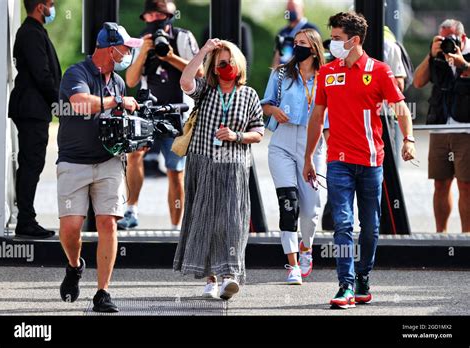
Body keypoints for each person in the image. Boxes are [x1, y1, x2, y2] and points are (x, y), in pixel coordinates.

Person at [303, 12, 416, 309]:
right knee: (342, 224)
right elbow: (317, 117)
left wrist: (409, 140)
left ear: (354, 40)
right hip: (337, 160)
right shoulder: (327, 72)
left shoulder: (378, 71)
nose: (332, 45)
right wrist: (308, 159)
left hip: (370, 161)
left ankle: (363, 276)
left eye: (337, 39)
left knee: (371, 227)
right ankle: (346, 285)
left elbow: (400, 107)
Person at [57, 23, 142, 312]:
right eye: (125, 48)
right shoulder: (76, 73)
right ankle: (73, 266)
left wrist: (135, 135)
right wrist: (117, 101)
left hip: (108, 161)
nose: (128, 52)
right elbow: (80, 104)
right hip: (73, 161)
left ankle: (102, 293)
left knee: (108, 222)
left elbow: (116, 121)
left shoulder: (118, 81)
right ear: (110, 48)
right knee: (71, 227)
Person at [175, 39, 264, 300]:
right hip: (202, 164)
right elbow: (185, 81)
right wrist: (204, 51)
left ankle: (229, 276)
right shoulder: (205, 91)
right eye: (220, 63)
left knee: (232, 222)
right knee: (203, 220)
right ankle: (210, 279)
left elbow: (258, 132)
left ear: (239, 64)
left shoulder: (249, 95)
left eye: (230, 62)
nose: (226, 66)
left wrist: (237, 136)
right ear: (213, 69)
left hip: (234, 166)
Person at [121, 0, 202, 230]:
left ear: (168, 17)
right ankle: (131, 209)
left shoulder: (183, 38)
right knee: (135, 155)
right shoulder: (141, 41)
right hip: (149, 109)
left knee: (175, 171)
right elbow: (131, 80)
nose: (154, 21)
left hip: (178, 110)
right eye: (149, 16)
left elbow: (201, 72)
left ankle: (176, 227)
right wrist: (144, 52)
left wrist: (170, 57)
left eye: (159, 16)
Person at [262, 29, 327, 285]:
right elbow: (265, 103)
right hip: (283, 142)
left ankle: (307, 247)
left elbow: (329, 119)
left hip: (314, 143)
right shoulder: (280, 73)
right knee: (288, 203)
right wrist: (273, 110)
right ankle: (292, 265)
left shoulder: (326, 77)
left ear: (314, 48)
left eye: (302, 43)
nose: (296, 47)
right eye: (295, 42)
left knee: (311, 208)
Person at [8, 0, 61, 239]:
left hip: (33, 108)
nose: (54, 7)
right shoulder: (30, 32)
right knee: (31, 164)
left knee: (31, 164)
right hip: (31, 109)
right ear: (40, 7)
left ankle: (26, 217)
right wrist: (59, 103)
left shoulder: (34, 31)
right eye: (50, 3)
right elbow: (43, 74)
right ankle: (26, 221)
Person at [414, 19, 470, 233]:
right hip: (440, 127)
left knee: (466, 186)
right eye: (442, 38)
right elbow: (418, 82)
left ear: (462, 38)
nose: (447, 42)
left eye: (451, 38)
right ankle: (441, 235)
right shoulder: (437, 54)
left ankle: (467, 238)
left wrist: (462, 63)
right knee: (440, 183)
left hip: (466, 128)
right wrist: (431, 54)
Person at [272, 0, 321, 68]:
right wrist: (274, 74)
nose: (290, 11)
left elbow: (318, 55)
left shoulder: (311, 29)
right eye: (288, 8)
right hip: (283, 73)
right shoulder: (282, 32)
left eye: (293, 8)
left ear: (302, 9)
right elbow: (277, 57)